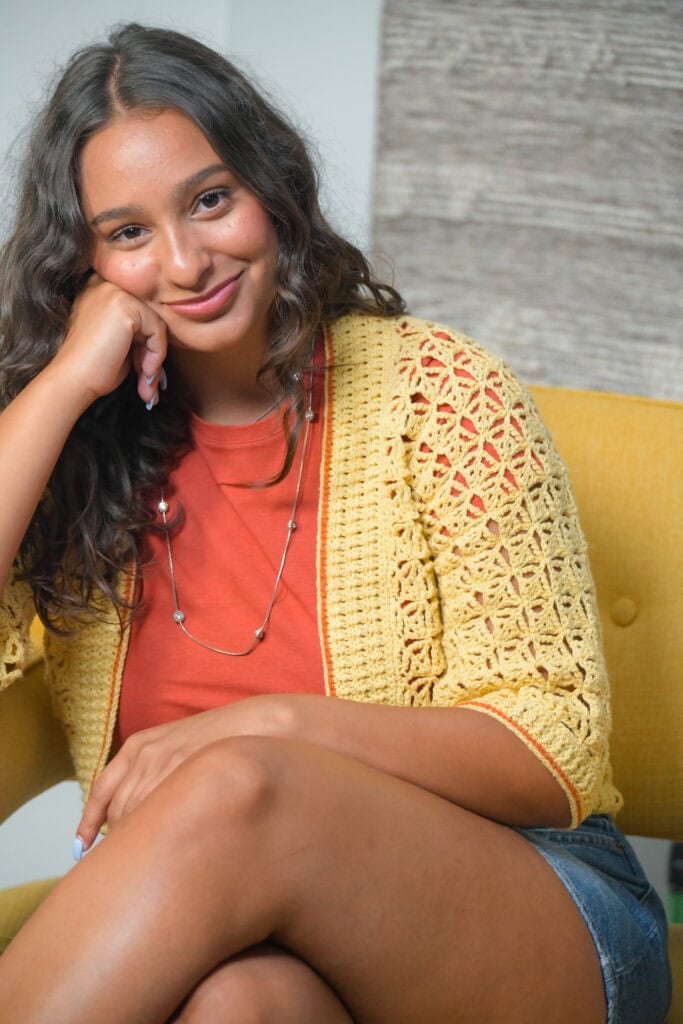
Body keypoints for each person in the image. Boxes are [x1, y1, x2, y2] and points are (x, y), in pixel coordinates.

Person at [0, 22, 671, 1024]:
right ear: (86, 261)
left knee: (241, 784)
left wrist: (260, 728)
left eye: (209, 200)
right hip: (254, 942)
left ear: (268, 188)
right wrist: (60, 386)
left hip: (536, 912)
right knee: (242, 1006)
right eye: (129, 232)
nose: (183, 262)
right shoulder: (89, 453)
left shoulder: (439, 393)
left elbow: (554, 749)